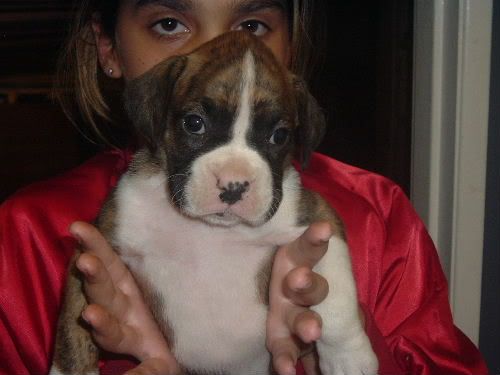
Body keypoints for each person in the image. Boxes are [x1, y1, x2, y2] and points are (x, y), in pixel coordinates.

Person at [0, 1, 488, 374]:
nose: (214, 49)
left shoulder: (374, 211)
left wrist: (337, 341)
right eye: (170, 23)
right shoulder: (33, 230)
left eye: (252, 25)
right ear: (107, 47)